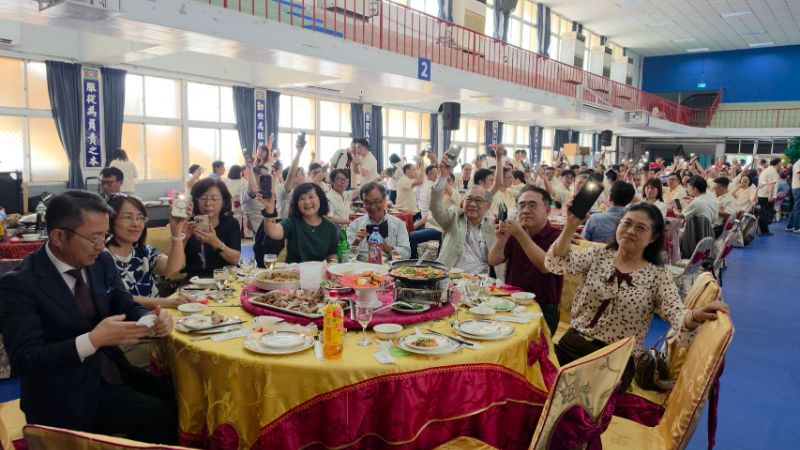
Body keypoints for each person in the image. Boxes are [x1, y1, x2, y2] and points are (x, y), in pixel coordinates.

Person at [0, 190, 177, 443]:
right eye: (94, 238)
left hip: (109, 372)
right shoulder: (19, 284)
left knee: (180, 396)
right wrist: (92, 340)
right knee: (162, 414)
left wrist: (151, 320)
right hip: (61, 391)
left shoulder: (100, 261)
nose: (101, 245)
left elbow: (125, 303)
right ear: (59, 237)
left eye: (104, 236)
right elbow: (25, 359)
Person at [545, 202, 729, 390]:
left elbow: (676, 313)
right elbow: (557, 263)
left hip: (614, 362)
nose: (630, 231)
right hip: (572, 346)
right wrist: (570, 225)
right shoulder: (597, 255)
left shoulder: (658, 275)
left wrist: (695, 316)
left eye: (640, 228)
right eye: (626, 223)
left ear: (653, 237)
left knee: (570, 399)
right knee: (537, 385)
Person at [488, 186, 563, 334]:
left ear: (547, 211)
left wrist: (521, 234)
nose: (526, 210)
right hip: (510, 302)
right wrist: (501, 240)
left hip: (544, 307)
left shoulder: (557, 236)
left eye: (532, 205)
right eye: (521, 205)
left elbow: (545, 266)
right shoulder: (515, 232)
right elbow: (493, 260)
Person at [106, 194, 192, 308]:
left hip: (157, 317)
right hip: (127, 321)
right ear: (110, 220)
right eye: (127, 217)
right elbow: (117, 297)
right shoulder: (102, 257)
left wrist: (176, 230)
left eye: (140, 218)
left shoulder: (143, 251)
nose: (136, 224)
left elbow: (172, 267)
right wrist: (166, 302)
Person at [433, 156, 495, 276]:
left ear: (487, 207)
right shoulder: (453, 217)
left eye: (478, 201)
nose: (472, 204)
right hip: (450, 277)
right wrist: (442, 177)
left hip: (481, 281)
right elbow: (435, 208)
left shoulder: (492, 225)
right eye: (469, 199)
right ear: (463, 202)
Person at [263, 183, 339, 263]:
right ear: (297, 204)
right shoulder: (292, 223)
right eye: (302, 199)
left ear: (320, 199)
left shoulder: (330, 227)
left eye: (311, 197)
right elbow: (272, 232)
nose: (307, 202)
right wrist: (269, 208)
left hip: (318, 273)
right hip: (293, 274)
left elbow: (332, 257)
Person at [183, 178, 242, 278]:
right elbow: (175, 264)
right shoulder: (188, 224)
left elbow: (235, 259)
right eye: (203, 198)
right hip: (192, 282)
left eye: (214, 199)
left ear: (223, 201)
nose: (208, 203)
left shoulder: (231, 223)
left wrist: (214, 242)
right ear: (196, 201)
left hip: (223, 280)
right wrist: (183, 237)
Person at [347, 182, 411, 262]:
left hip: (390, 268)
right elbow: (344, 255)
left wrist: (387, 248)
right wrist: (356, 242)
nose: (373, 206)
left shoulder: (398, 224)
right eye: (368, 203)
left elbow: (407, 254)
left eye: (377, 201)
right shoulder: (355, 225)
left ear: (385, 200)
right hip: (362, 268)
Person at [410, 163, 443, 258]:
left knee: (411, 235)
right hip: (427, 221)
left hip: (435, 226)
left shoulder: (429, 186)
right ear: (430, 175)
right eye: (436, 173)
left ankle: (411, 262)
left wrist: (416, 225)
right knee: (408, 232)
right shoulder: (429, 186)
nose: (437, 176)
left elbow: (428, 215)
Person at [787, 158, 800, 232]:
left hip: (796, 188)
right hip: (798, 188)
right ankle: (797, 227)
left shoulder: (796, 163)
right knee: (798, 208)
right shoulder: (799, 163)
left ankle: (790, 226)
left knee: (796, 208)